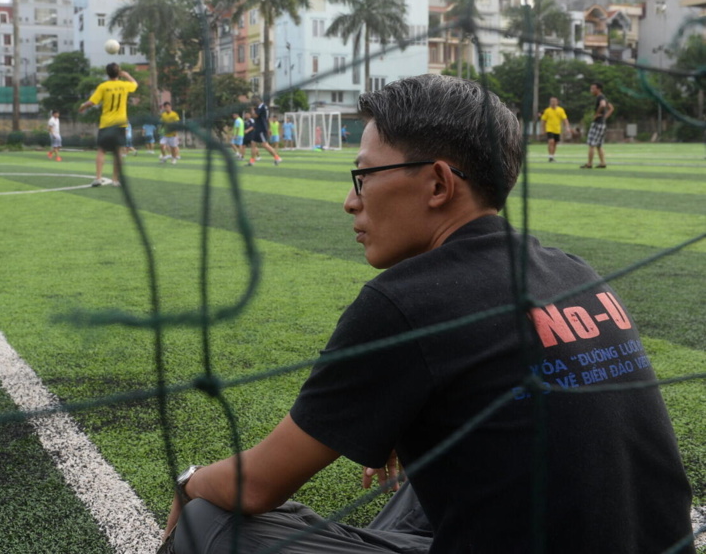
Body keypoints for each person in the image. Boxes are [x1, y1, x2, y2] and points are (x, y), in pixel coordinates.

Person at [163, 74, 694, 554]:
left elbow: (257, 486)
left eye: (364, 176)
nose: (351, 201)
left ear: (438, 184)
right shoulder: (575, 272)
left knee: (210, 519)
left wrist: (189, 483)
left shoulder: (404, 302)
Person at [79, 63, 137, 187]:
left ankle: (98, 178)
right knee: (118, 151)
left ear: (107, 73)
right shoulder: (124, 85)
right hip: (120, 123)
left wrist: (83, 106)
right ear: (119, 72)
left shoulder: (103, 86)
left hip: (106, 123)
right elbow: (135, 84)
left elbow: (92, 102)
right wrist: (127, 75)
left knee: (101, 150)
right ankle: (115, 180)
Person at [581, 81, 614, 169]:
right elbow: (611, 108)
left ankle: (589, 164)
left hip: (597, 123)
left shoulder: (600, 97)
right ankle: (602, 163)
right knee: (599, 145)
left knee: (591, 144)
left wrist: (596, 114)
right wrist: (604, 117)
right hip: (602, 124)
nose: (591, 90)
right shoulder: (603, 97)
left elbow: (602, 105)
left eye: (593, 89)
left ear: (599, 89)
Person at [247, 95, 282, 166]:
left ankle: (277, 157)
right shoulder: (263, 107)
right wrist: (269, 128)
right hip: (258, 128)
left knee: (264, 144)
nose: (253, 101)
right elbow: (267, 119)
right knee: (253, 143)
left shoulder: (261, 107)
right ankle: (252, 161)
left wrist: (252, 109)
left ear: (258, 100)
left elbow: (255, 115)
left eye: (254, 99)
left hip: (261, 128)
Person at [539, 97, 570, 163]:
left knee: (555, 143)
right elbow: (543, 121)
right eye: (551, 101)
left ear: (557, 102)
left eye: (554, 101)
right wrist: (542, 129)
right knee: (551, 141)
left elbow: (565, 119)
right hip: (549, 129)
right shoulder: (547, 111)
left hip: (557, 129)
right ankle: (550, 156)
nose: (553, 103)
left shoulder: (561, 110)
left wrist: (567, 127)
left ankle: (552, 156)